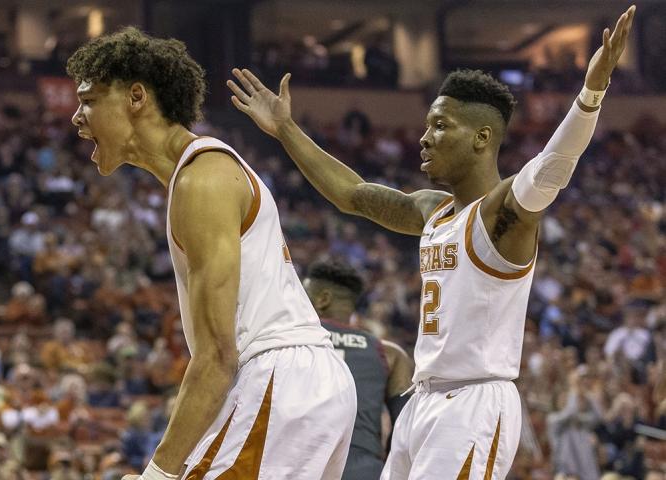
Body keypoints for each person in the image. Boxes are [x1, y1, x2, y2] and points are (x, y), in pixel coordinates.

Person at [227, 6, 635, 478]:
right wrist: (285, 130)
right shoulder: (431, 210)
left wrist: (591, 93)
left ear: (482, 137)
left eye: (440, 126)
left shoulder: (504, 215)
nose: (424, 138)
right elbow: (351, 194)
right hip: (421, 400)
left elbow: (553, 166)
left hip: (472, 403)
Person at [67, 27, 356, 479]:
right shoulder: (197, 174)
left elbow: (218, 357)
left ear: (136, 97)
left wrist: (157, 474)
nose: (76, 117)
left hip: (277, 378)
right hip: (293, 383)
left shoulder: (203, 179)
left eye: (88, 100)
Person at [302, 260, 414, 479]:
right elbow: (404, 429)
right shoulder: (389, 354)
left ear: (323, 299)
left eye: (303, 296)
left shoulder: (288, 341)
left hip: (298, 464)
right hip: (363, 468)